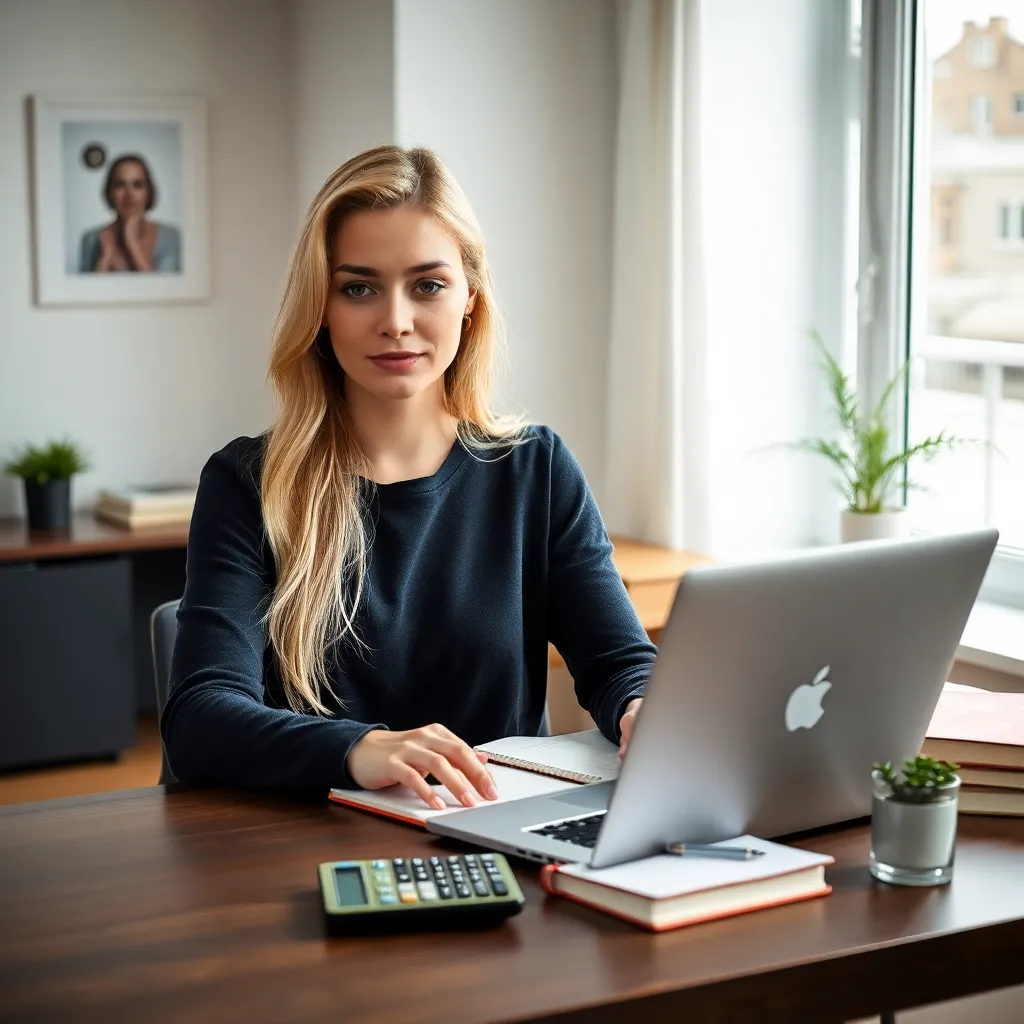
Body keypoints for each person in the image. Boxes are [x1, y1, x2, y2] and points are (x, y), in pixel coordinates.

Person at [162, 145, 656, 809]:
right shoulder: (248, 483)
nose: (395, 321)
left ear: (470, 301)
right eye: (359, 287)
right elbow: (200, 716)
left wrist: (641, 709)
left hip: (498, 834)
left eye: (428, 285)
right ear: (322, 306)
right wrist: (358, 749)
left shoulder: (534, 470)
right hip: (308, 849)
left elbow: (619, 663)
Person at [78, 153, 181, 273]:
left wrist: (131, 242)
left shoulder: (170, 237)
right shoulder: (91, 239)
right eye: (120, 185)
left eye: (138, 185)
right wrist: (105, 259)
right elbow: (86, 290)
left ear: (149, 192)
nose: (129, 195)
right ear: (110, 193)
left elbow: (166, 290)